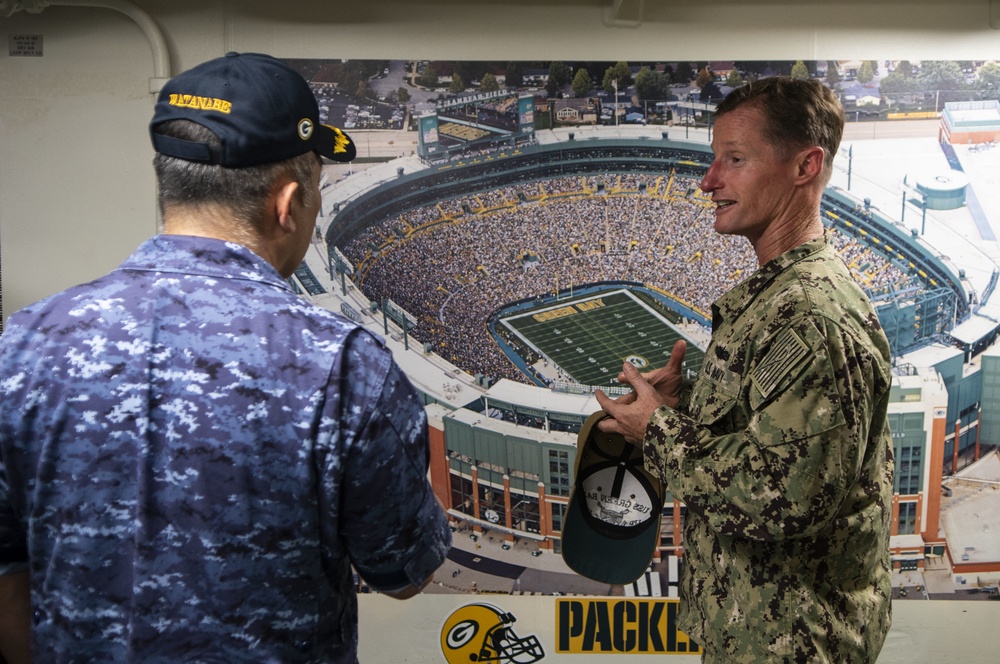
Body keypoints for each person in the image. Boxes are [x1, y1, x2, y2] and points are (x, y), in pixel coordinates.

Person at [0, 52, 451, 663]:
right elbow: (405, 571)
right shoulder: (345, 369)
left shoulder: (24, 344)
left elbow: (9, 578)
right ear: (287, 202)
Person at [596, 76, 894, 663]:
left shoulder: (810, 315)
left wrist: (658, 430)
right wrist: (681, 411)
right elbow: (775, 445)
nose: (709, 181)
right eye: (714, 160)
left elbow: (783, 493)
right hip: (761, 635)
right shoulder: (783, 297)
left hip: (793, 645)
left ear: (805, 166)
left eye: (734, 159)